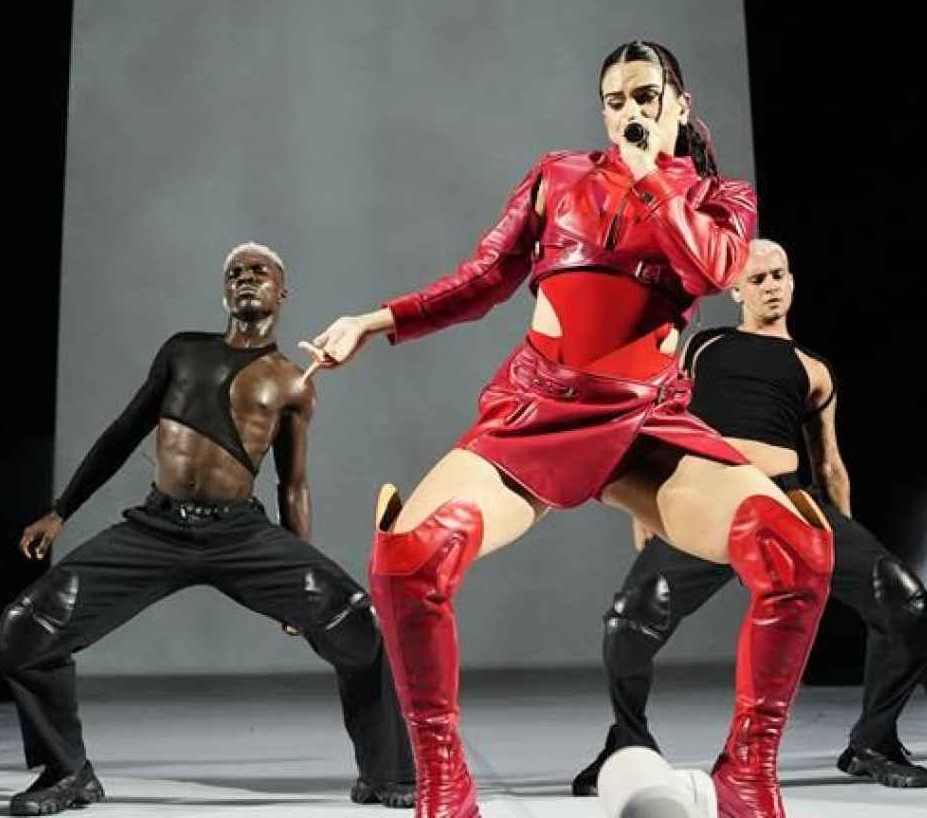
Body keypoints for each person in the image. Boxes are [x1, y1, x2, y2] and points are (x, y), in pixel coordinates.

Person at [303, 42, 834, 818]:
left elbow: (719, 269)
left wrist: (652, 174)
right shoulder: (558, 177)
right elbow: (482, 279)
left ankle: (746, 775)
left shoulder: (724, 197)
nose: (629, 112)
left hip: (649, 424)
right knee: (408, 556)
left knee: (794, 551)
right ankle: (445, 782)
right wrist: (371, 322)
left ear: (680, 106)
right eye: (614, 100)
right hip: (539, 410)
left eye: (646, 95)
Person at [0, 244, 413, 815]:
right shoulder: (183, 353)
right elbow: (122, 434)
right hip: (156, 529)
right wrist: (61, 509)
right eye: (234, 273)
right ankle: (66, 774)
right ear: (224, 292)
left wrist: (299, 573)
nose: (245, 278)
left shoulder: (293, 383)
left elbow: (291, 485)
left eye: (258, 272)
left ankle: (385, 773)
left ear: (280, 292)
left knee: (355, 619)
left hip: (240, 534)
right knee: (27, 627)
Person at [570, 240, 927, 796]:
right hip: (706, 503)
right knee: (628, 622)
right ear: (735, 290)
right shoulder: (705, 346)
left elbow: (830, 464)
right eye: (758, 278)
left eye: (780, 274)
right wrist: (649, 503)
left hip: (787, 505)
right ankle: (629, 741)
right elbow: (659, 419)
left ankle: (872, 742)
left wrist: (845, 542)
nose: (771, 285)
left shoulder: (813, 370)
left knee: (904, 602)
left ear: (792, 280)